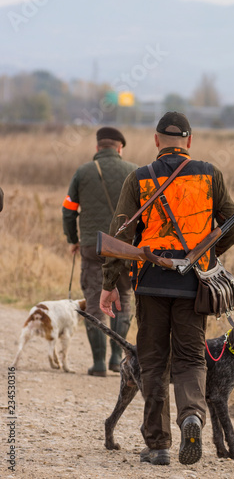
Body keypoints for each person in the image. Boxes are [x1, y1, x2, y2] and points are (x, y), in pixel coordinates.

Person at [99, 112, 234, 465]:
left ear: (156, 140)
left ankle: (159, 444)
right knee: (192, 358)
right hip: (193, 286)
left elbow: (120, 235)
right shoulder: (210, 174)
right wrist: (203, 256)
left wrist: (109, 284)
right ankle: (192, 415)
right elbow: (232, 227)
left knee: (153, 361)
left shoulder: (140, 177)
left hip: (149, 283)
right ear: (189, 142)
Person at [62, 127, 137, 377]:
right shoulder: (134, 172)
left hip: (92, 247)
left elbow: (68, 210)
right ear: (119, 149)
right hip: (126, 248)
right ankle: (117, 358)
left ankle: (98, 363)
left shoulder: (83, 172)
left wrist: (74, 239)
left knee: (95, 301)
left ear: (97, 148)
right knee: (123, 298)